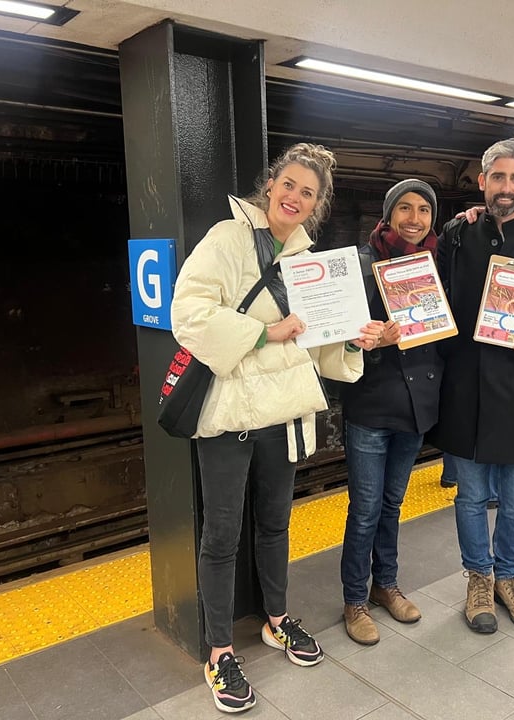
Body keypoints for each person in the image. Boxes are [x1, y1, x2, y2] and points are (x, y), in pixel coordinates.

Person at [170, 143, 382, 714]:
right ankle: (218, 651)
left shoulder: (311, 257)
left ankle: (277, 620)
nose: (294, 197)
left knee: (274, 524)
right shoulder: (226, 238)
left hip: (283, 413)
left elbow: (316, 340)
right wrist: (266, 333)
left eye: (307, 193)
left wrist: (352, 337)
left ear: (316, 205)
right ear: (270, 186)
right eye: (288, 185)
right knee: (220, 537)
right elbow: (186, 313)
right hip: (231, 415)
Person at [431, 134, 514, 633]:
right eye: (497, 177)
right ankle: (479, 580)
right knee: (469, 498)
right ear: (482, 181)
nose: (506, 187)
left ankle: (510, 578)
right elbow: (433, 293)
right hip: (464, 388)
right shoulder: (458, 236)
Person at [339, 179, 444, 645]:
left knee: (391, 504)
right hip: (370, 403)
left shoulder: (437, 265)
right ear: (388, 214)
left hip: (416, 407)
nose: (414, 218)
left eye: (424, 210)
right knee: (364, 509)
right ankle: (354, 600)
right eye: (405, 208)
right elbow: (334, 336)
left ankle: (386, 585)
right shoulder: (360, 266)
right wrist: (369, 340)